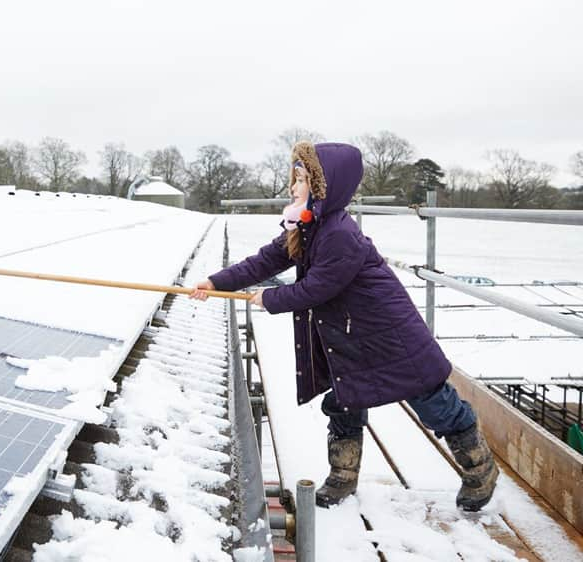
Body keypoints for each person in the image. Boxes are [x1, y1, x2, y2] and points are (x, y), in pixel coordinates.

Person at [190, 141, 499, 511]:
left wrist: (270, 299)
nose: (293, 187)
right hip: (352, 334)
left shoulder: (339, 232)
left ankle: (480, 470)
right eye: (295, 178)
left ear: (324, 187)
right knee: (343, 398)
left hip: (390, 334)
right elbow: (266, 260)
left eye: (302, 179)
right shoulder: (306, 225)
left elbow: (318, 287)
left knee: (433, 401)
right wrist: (217, 282)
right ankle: (343, 475)